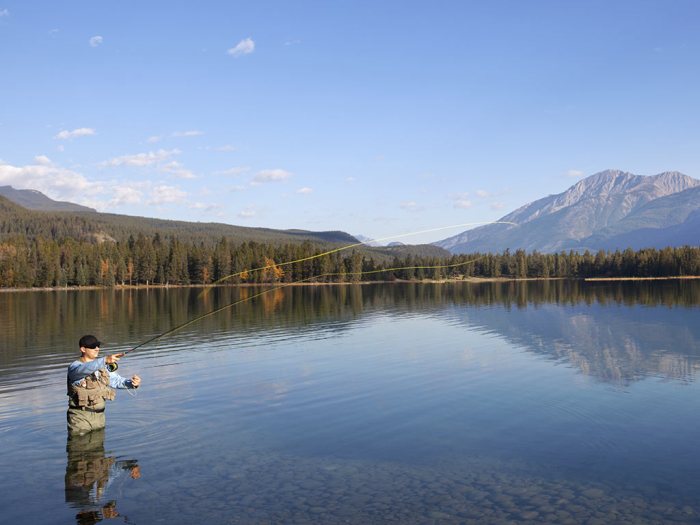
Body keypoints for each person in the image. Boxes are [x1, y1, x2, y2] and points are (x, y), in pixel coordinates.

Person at [67, 335, 141, 435]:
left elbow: (116, 380)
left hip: (100, 418)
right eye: (93, 346)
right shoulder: (75, 367)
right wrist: (104, 360)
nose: (97, 349)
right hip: (80, 418)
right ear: (83, 349)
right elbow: (82, 370)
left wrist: (132, 383)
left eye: (98, 346)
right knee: (79, 449)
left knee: (99, 449)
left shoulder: (102, 366)